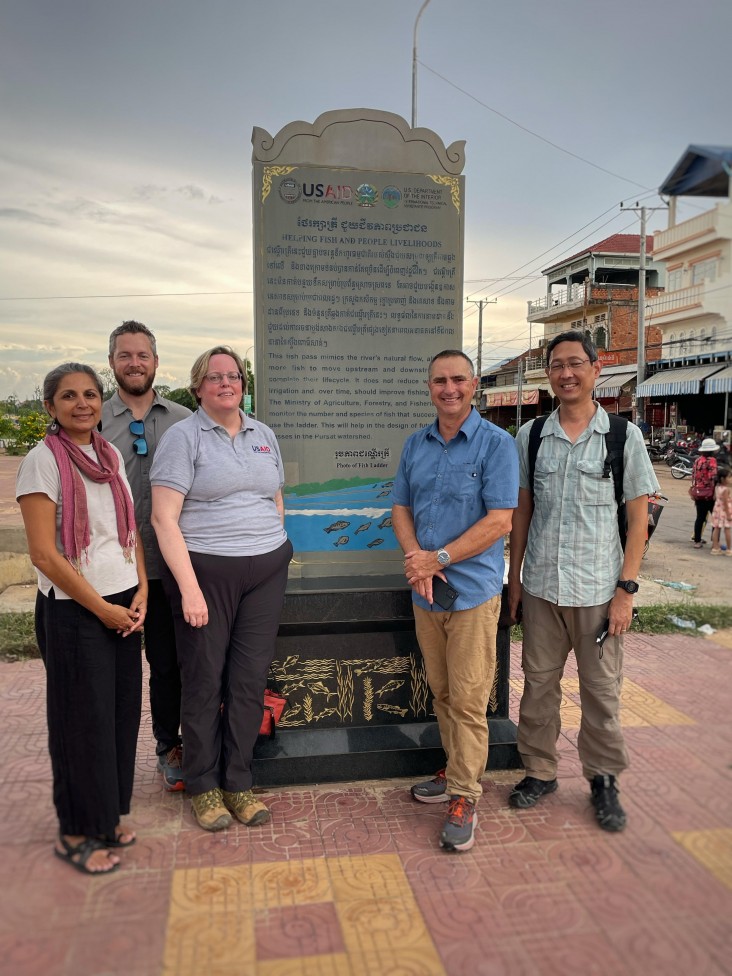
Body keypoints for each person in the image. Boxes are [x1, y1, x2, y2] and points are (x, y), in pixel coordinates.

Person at [508, 331, 658, 832]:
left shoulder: (623, 436)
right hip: (543, 590)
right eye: (557, 366)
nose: (566, 373)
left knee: (600, 692)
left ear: (596, 369)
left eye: (576, 364)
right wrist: (516, 582)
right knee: (537, 687)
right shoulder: (530, 437)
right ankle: (540, 771)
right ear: (547, 375)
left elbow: (638, 522)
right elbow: (522, 514)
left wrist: (626, 592)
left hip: (599, 591)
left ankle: (603, 780)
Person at [150, 345, 292, 832]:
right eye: (215, 377)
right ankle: (203, 785)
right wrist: (189, 590)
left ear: (243, 384)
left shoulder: (263, 433)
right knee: (206, 680)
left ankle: (238, 781)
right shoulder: (182, 438)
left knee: (249, 680)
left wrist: (271, 538)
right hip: (206, 574)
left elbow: (273, 494)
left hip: (266, 572)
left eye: (234, 376)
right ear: (198, 386)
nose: (226, 384)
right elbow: (163, 519)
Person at [16, 363, 147, 874]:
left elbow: (128, 530)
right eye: (68, 396)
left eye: (91, 394)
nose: (82, 403)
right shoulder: (41, 462)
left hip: (121, 604)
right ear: (50, 407)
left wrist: (141, 597)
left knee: (117, 718)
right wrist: (104, 609)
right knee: (79, 725)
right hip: (76, 613)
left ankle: (106, 817)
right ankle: (75, 831)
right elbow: (45, 556)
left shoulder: (109, 454)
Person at [392, 349, 519, 852]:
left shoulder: (497, 445)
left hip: (470, 594)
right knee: (442, 692)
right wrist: (416, 559)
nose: (449, 388)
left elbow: (499, 521)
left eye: (459, 380)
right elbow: (400, 508)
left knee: (468, 700)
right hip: (427, 595)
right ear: (430, 387)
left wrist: (436, 559)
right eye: (440, 380)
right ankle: (454, 769)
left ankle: (465, 795)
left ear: (474, 386)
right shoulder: (414, 445)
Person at [102, 320, 191, 791]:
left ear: (156, 362)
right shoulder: (94, 418)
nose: (134, 363)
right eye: (125, 355)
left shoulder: (183, 418)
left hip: (168, 563)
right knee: (111, 668)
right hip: (110, 567)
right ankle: (103, 758)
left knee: (167, 660)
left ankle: (169, 744)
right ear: (112, 362)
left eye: (143, 355)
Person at [691, 438, 720, 548]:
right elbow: (713, 477)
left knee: (700, 518)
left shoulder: (698, 460)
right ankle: (715, 540)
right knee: (716, 518)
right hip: (710, 494)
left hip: (699, 493)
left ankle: (697, 541)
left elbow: (693, 475)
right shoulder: (712, 460)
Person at [710, 467, 732, 555]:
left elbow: (715, 498)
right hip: (724, 511)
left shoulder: (717, 487)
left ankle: (715, 548)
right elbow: (726, 503)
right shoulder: (726, 490)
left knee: (716, 528)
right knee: (727, 529)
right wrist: (729, 515)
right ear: (723, 479)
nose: (731, 479)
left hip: (717, 510)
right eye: (729, 477)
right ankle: (729, 549)